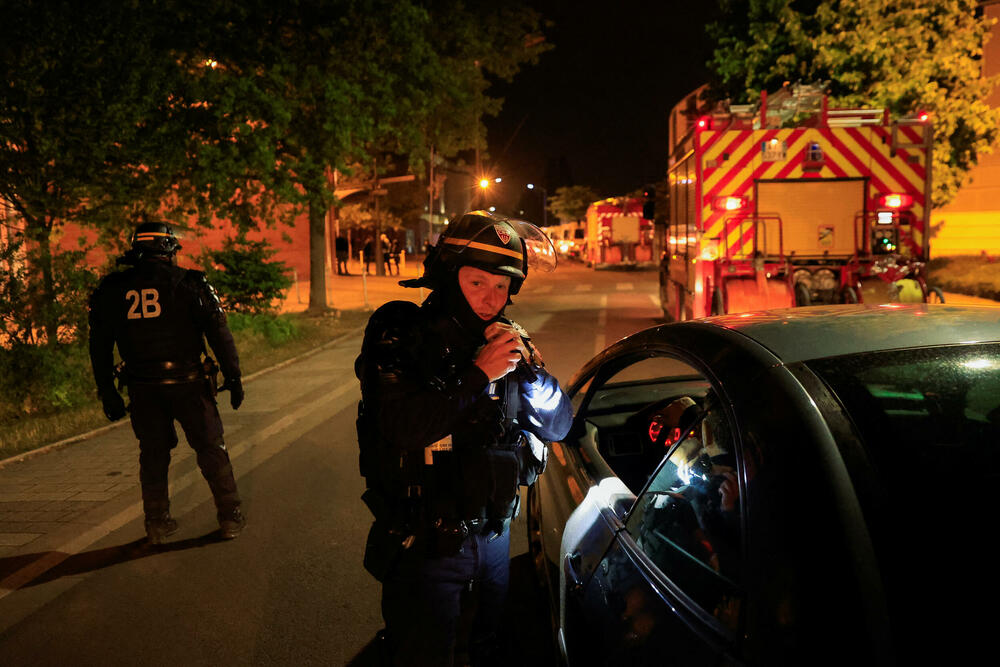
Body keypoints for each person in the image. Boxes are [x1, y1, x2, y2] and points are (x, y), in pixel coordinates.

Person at [355, 210, 572, 666]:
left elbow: (557, 426)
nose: (491, 298)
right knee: (423, 654)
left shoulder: (508, 340)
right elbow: (402, 427)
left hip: (493, 535)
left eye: (501, 286)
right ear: (449, 277)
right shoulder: (402, 331)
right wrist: (478, 374)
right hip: (426, 542)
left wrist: (530, 371)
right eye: (477, 283)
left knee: (484, 649)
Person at [87, 221, 247, 545]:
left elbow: (99, 346)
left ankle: (156, 524)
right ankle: (230, 516)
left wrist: (106, 391)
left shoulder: (113, 289)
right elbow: (219, 332)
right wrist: (233, 375)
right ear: (168, 249)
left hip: (143, 388)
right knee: (211, 449)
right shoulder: (190, 283)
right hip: (189, 385)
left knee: (154, 454)